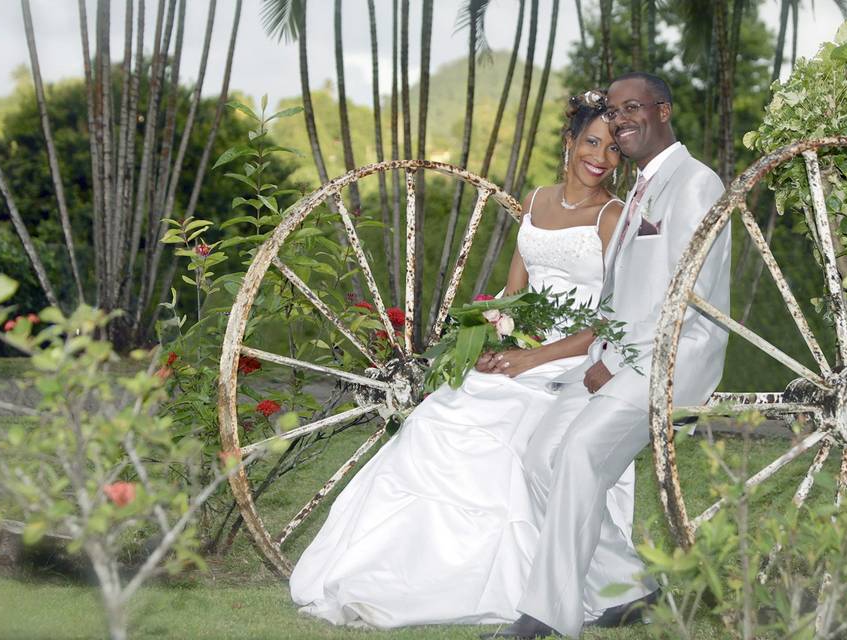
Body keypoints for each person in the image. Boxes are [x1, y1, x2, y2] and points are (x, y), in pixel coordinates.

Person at [289, 91, 640, 628]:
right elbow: (513, 295)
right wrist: (490, 341)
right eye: (592, 141)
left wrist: (529, 360)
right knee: (440, 415)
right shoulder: (538, 199)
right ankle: (401, 566)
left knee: (507, 429)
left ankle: (529, 581)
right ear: (570, 142)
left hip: (576, 359)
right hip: (526, 348)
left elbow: (614, 319)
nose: (602, 157)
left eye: (614, 149)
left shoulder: (613, 217)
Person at [491, 72, 731, 639]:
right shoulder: (644, 186)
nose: (621, 121)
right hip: (613, 353)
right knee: (539, 456)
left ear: (663, 110)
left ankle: (546, 616)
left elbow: (683, 296)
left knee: (577, 452)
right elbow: (620, 290)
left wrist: (617, 361)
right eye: (614, 112)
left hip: (669, 357)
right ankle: (631, 588)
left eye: (633, 109)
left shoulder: (695, 183)